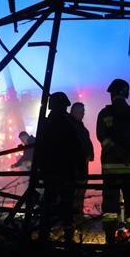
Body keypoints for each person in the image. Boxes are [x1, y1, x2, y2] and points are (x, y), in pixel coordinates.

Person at [96, 79, 130, 244]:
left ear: (112, 94)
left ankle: (110, 240)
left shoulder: (105, 114)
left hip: (111, 169)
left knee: (110, 205)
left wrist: (117, 151)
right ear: (126, 93)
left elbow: (102, 137)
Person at [36, 92, 84, 243]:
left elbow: (40, 149)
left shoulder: (45, 123)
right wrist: (81, 170)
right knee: (67, 204)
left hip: (51, 172)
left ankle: (44, 235)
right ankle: (68, 237)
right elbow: (77, 148)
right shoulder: (69, 123)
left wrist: (40, 169)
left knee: (49, 204)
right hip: (66, 171)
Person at [69, 102, 94, 221]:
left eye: (83, 111)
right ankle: (72, 219)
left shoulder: (80, 127)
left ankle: (76, 217)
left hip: (81, 168)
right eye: (81, 111)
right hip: (74, 169)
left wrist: (89, 156)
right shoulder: (71, 126)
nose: (83, 114)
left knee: (79, 194)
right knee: (73, 194)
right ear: (73, 111)